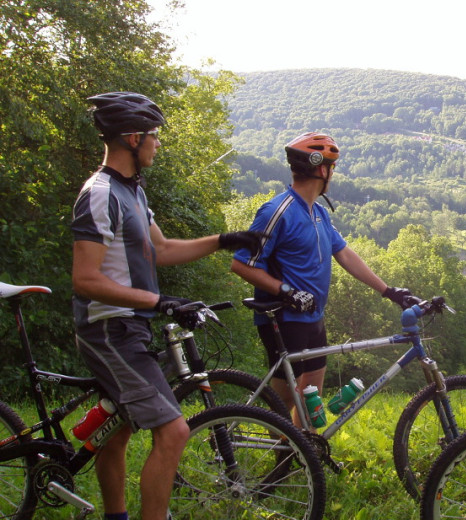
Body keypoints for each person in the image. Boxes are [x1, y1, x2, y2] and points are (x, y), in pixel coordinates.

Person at [71, 91, 261, 520]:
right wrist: (160, 301)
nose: (158, 143)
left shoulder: (132, 192)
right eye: (154, 135)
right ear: (133, 138)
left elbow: (160, 249)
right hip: (109, 329)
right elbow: (85, 280)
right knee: (174, 431)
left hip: (130, 325)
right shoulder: (100, 193)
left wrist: (223, 240)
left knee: (113, 433)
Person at [231, 132, 413, 427]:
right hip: (284, 318)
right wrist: (287, 292)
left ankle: (295, 454)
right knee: (283, 401)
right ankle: (253, 452)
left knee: (308, 396)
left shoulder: (318, 213)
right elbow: (242, 264)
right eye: (332, 167)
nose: (333, 174)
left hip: (314, 317)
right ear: (321, 169)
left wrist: (389, 291)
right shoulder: (277, 211)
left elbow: (344, 254)